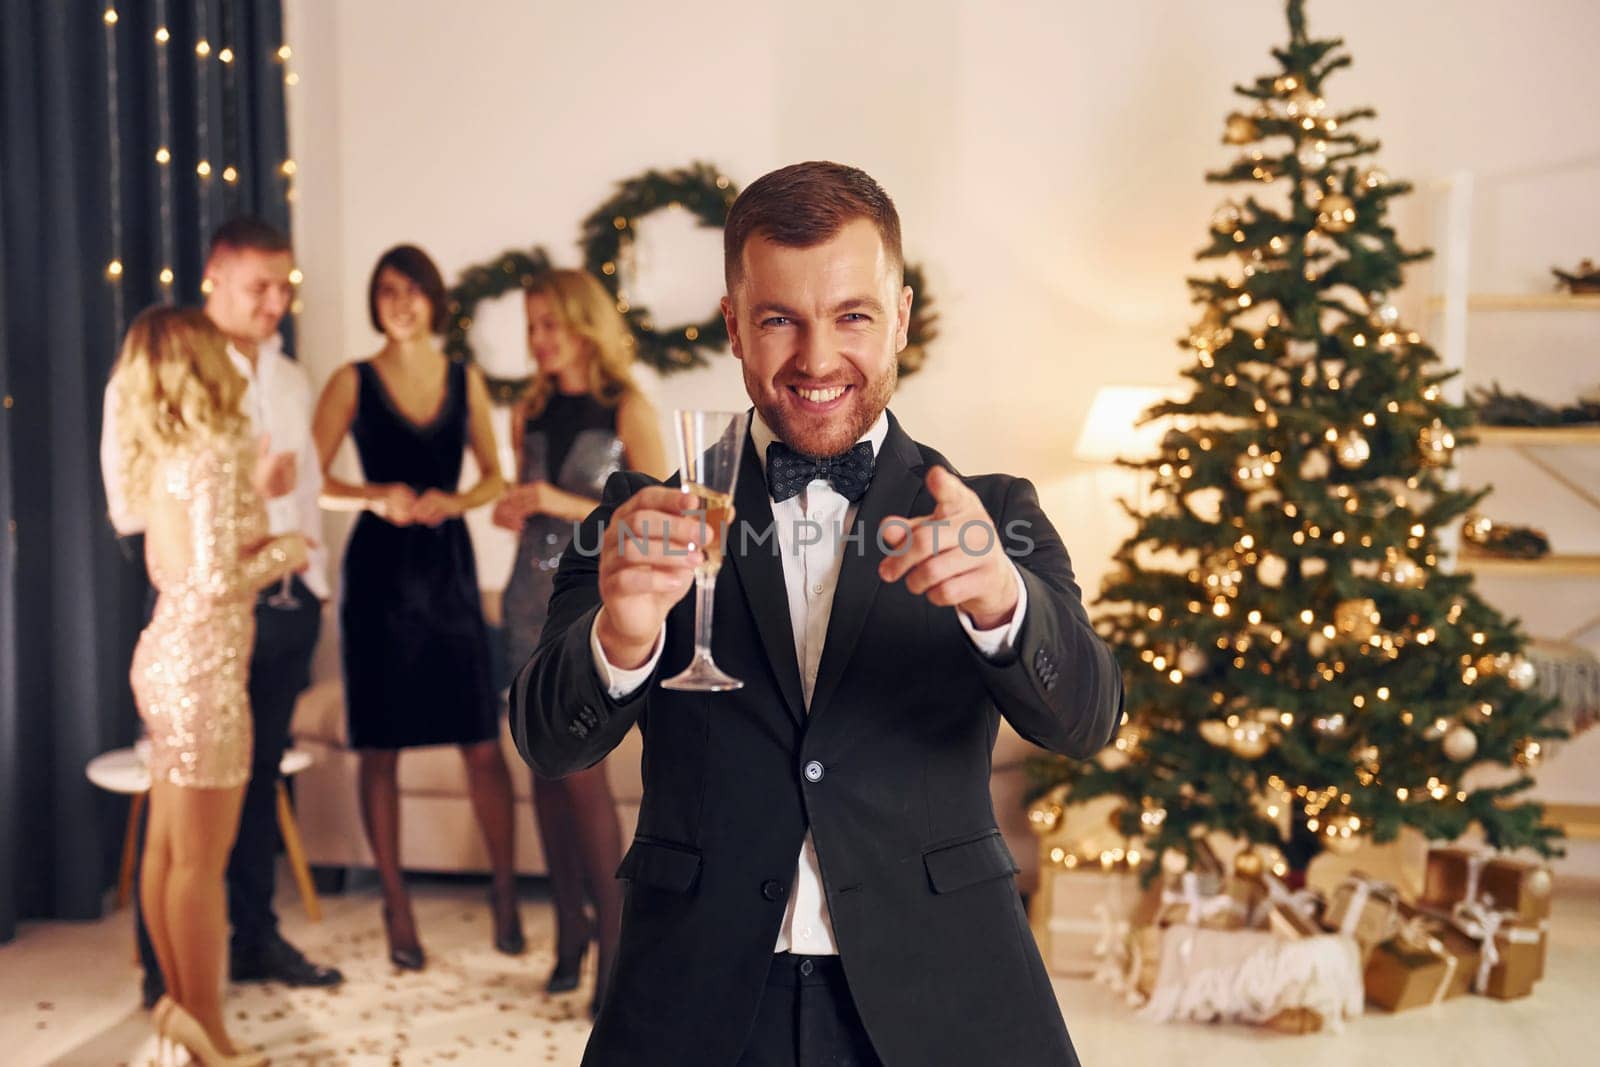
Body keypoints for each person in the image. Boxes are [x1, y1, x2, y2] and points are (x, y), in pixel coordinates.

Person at [511, 162, 1124, 1066]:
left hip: (946, 997)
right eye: (777, 320)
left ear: (902, 319)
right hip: (695, 1002)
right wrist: (621, 637)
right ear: (733, 325)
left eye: (852, 316)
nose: (817, 358)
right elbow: (546, 739)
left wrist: (1004, 603)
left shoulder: (994, 514)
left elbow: (1089, 719)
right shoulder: (642, 517)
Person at [100, 218, 344, 1006]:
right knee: (187, 810)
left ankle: (252, 940)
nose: (276, 302)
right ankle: (169, 981)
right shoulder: (166, 367)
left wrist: (312, 576)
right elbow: (133, 506)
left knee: (257, 782)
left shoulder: (292, 376)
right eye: (259, 287)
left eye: (285, 287)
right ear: (216, 278)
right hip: (205, 616)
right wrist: (249, 502)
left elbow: (308, 487)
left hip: (283, 608)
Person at [312, 244, 521, 969]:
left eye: (413, 290)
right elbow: (315, 478)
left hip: (448, 571)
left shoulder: (466, 381)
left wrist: (454, 500)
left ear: (434, 300)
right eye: (387, 290)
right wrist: (378, 496)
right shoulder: (352, 379)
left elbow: (497, 476)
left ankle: (502, 890)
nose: (400, 302)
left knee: (481, 743)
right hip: (376, 575)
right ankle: (396, 906)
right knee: (379, 748)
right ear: (376, 301)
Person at [112, 306, 310, 1066]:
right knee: (200, 860)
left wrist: (258, 517)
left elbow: (195, 561)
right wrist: (286, 547)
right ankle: (208, 1029)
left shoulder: (172, 454)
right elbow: (217, 579)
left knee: (169, 847)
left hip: (167, 657)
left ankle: (179, 1011)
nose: (234, 359)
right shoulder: (212, 454)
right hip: (202, 671)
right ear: (197, 364)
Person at [492, 269, 666, 1013]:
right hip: (521, 602)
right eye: (532, 326)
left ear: (584, 326)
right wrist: (515, 505)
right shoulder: (526, 412)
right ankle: (566, 933)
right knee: (539, 769)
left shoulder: (627, 405)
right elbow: (523, 501)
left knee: (582, 775)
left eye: (551, 325)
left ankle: (616, 950)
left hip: (587, 604)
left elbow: (654, 504)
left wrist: (555, 502)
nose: (540, 341)